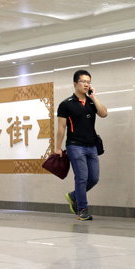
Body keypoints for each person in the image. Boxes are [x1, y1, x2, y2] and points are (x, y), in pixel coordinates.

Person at [56, 69, 108, 221]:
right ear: (75, 84)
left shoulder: (92, 102)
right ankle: (82, 210)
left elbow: (104, 113)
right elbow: (61, 127)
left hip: (91, 146)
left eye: (88, 82)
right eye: (83, 82)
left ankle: (73, 196)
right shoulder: (66, 104)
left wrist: (94, 97)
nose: (86, 84)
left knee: (94, 178)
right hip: (75, 146)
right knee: (82, 178)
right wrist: (58, 147)